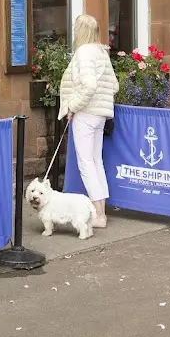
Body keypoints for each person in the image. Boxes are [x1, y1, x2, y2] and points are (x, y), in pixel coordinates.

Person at [57, 14, 119, 228]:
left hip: (85, 114)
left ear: (80, 30)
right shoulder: (101, 52)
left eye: (76, 27)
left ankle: (99, 216)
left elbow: (89, 86)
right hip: (100, 114)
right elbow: (114, 86)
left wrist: (72, 105)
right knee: (95, 161)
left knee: (86, 164)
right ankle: (101, 212)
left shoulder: (83, 53)